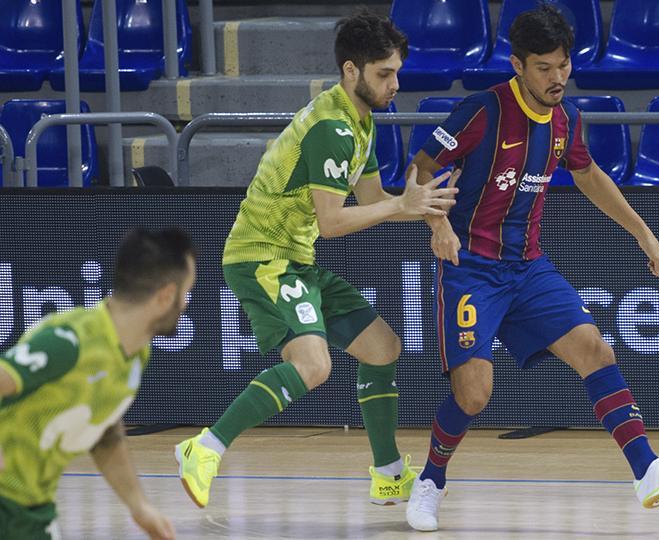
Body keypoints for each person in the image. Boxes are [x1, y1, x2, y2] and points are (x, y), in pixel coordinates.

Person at [404, 5, 659, 531]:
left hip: (527, 267)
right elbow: (421, 166)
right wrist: (438, 224)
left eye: (563, 65)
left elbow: (589, 174)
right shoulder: (483, 112)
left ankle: (647, 471)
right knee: (474, 393)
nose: (556, 78)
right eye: (544, 68)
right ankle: (431, 481)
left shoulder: (566, 120)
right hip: (471, 268)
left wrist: (643, 233)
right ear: (518, 65)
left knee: (594, 347)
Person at [174, 12, 458, 509]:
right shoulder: (331, 128)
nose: (396, 83)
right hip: (262, 256)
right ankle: (205, 447)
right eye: (384, 74)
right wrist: (399, 206)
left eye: (396, 71)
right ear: (352, 71)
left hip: (296, 259)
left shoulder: (361, 121)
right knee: (313, 365)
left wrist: (426, 212)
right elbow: (333, 221)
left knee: (383, 347)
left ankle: (390, 474)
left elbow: (374, 199)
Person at [0, 227, 196, 540]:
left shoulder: (134, 354)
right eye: (187, 293)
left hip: (33, 512)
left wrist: (139, 506)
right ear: (165, 296)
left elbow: (104, 431)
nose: (186, 304)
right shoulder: (69, 341)